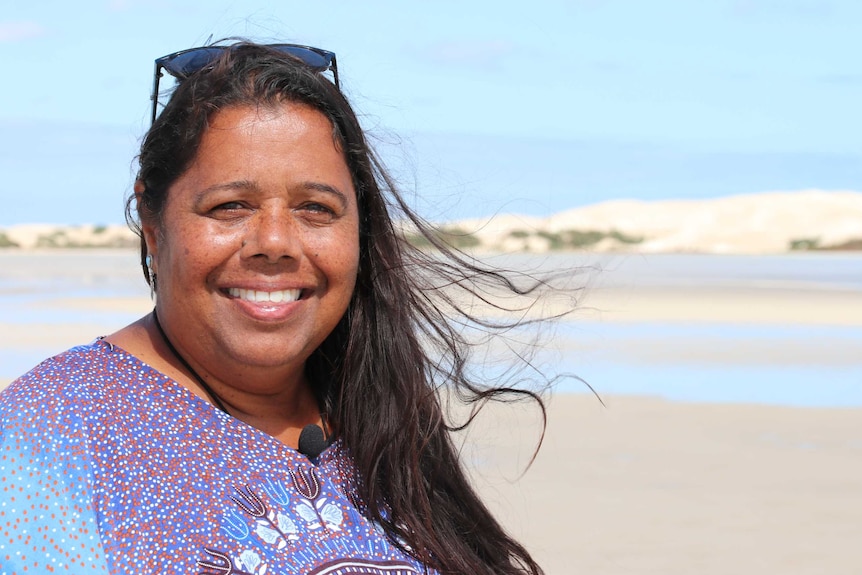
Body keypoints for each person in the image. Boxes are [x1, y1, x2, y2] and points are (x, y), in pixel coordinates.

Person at [0, 42, 555, 575]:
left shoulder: (376, 411)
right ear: (152, 220)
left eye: (316, 208)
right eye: (230, 206)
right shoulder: (47, 436)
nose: (275, 241)